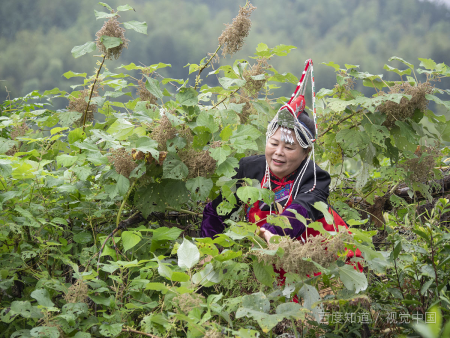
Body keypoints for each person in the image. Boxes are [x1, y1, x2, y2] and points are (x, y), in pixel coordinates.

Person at [201, 60, 362, 272]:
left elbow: (300, 210)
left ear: (306, 152)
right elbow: (216, 210)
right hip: (269, 255)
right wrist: (209, 250)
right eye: (274, 143)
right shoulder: (249, 169)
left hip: (321, 260)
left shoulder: (316, 178)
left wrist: (271, 233)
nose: (278, 152)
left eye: (289, 147)